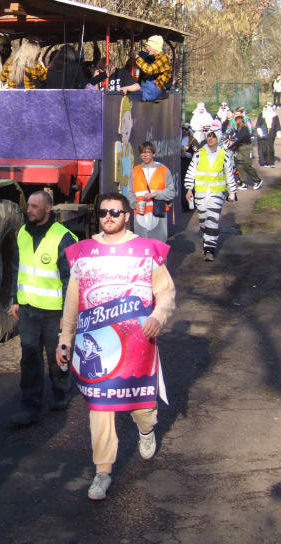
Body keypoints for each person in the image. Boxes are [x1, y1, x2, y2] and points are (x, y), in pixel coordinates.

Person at [56, 192, 176, 501]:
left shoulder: (146, 250)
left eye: (115, 211)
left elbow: (166, 292)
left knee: (141, 408)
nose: (108, 216)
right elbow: (72, 300)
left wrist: (158, 316)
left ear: (127, 216)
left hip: (138, 346)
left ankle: (147, 429)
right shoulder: (82, 253)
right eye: (104, 212)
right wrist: (65, 338)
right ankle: (102, 471)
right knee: (100, 408)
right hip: (97, 346)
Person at [8, 191, 78, 426]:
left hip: (53, 313)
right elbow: (17, 266)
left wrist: (67, 317)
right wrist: (15, 299)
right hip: (28, 309)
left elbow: (71, 280)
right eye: (28, 205)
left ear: (48, 209)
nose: (29, 210)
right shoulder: (22, 234)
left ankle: (60, 393)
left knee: (56, 357)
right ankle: (29, 406)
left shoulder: (64, 238)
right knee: (29, 358)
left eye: (35, 206)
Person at [185, 127, 237, 261]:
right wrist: (189, 189)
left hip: (217, 193)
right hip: (201, 193)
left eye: (213, 137)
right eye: (209, 136)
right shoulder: (199, 154)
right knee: (203, 221)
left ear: (218, 139)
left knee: (213, 220)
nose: (211, 139)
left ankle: (210, 249)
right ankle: (207, 239)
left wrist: (232, 193)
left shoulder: (224, 155)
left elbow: (229, 175)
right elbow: (191, 172)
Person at [132, 141, 176, 242]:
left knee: (159, 249)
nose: (145, 155)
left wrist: (155, 194)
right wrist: (135, 204)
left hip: (158, 215)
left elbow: (171, 193)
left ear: (154, 154)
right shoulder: (135, 171)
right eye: (143, 152)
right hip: (140, 217)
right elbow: (130, 193)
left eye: (148, 152)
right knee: (142, 249)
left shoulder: (163, 170)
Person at [230, 114, 262, 190]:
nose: (234, 123)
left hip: (246, 148)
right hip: (239, 148)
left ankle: (257, 180)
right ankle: (243, 182)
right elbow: (235, 138)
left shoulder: (244, 129)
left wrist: (232, 143)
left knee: (247, 165)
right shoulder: (238, 130)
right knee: (240, 165)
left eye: (235, 121)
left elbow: (239, 139)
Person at [255, 102, 281, 168]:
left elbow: (277, 124)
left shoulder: (274, 115)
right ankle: (264, 162)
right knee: (264, 148)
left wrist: (278, 131)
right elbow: (258, 124)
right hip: (264, 134)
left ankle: (270, 162)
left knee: (270, 147)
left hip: (272, 133)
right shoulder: (262, 114)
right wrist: (259, 130)